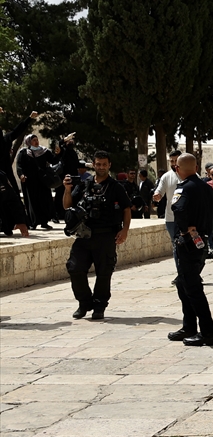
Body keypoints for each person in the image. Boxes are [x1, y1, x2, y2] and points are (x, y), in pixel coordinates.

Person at [62, 150, 132, 321]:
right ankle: (84, 302)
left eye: (104, 164)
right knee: (74, 268)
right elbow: (67, 206)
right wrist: (67, 190)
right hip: (84, 235)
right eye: (98, 164)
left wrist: (125, 230)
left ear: (109, 165)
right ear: (93, 165)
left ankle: (99, 306)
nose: (101, 167)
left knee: (104, 272)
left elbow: (126, 209)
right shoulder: (84, 184)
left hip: (106, 236)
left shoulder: (116, 187)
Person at [167, 153, 213, 346]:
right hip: (202, 241)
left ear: (178, 169)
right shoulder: (207, 188)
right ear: (196, 168)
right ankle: (189, 326)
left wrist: (186, 226)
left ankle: (208, 333)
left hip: (188, 243)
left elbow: (177, 208)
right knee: (183, 284)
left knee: (193, 288)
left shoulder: (184, 188)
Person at [152, 150, 183, 279]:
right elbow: (159, 191)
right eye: (172, 161)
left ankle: (192, 273)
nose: (174, 163)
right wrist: (157, 196)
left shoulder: (192, 175)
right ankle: (180, 274)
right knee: (176, 246)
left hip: (188, 218)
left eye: (176, 160)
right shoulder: (166, 177)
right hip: (171, 218)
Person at [16, 134, 54, 230]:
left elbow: (54, 160)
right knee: (32, 202)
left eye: (37, 140)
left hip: (42, 181)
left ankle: (44, 222)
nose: (36, 142)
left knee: (44, 201)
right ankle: (33, 222)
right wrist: (21, 175)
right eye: (34, 140)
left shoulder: (44, 151)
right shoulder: (24, 152)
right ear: (29, 142)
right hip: (30, 182)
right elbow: (19, 165)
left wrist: (59, 152)